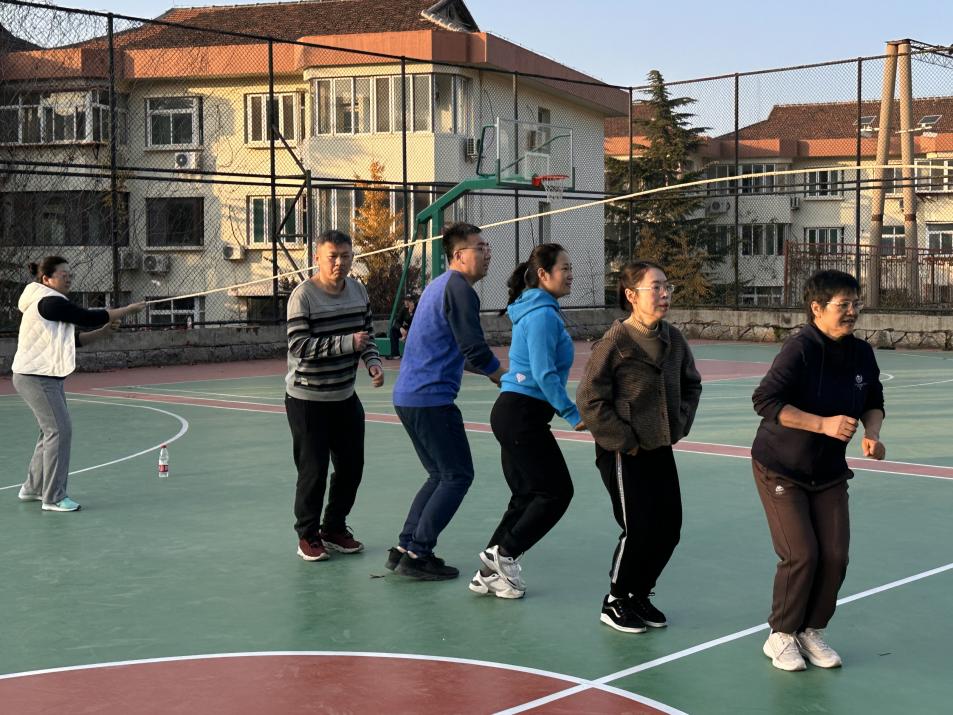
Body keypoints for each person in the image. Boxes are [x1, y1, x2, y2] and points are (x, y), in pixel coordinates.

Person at [751, 269, 885, 672]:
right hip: (781, 466)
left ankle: (810, 630)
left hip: (828, 471)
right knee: (802, 554)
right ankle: (780, 634)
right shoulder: (800, 349)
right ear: (817, 308)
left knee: (836, 556)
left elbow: (873, 399)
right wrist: (822, 424)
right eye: (843, 304)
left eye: (856, 303)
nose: (852, 311)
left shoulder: (861, 352)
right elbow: (765, 400)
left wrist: (872, 433)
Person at [576, 260, 702, 633]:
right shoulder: (614, 342)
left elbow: (692, 384)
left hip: (660, 446)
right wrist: (625, 439)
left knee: (669, 527)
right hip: (622, 451)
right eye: (655, 287)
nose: (664, 294)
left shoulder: (673, 339)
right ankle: (615, 599)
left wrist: (680, 421)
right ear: (631, 295)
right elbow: (589, 399)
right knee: (639, 527)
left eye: (667, 286)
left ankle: (639, 593)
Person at [387, 222, 505, 580]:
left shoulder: (438, 286)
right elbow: (473, 348)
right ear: (458, 255)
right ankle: (418, 554)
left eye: (488, 246)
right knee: (456, 475)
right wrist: (503, 376)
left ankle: (405, 547)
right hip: (431, 399)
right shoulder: (459, 289)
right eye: (480, 247)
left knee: (440, 474)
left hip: (410, 397)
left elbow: (454, 351)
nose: (487, 253)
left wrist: (495, 371)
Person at [471, 243, 585, 600]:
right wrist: (573, 413)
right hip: (521, 414)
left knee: (526, 496)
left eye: (570, 268)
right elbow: (544, 372)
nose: (571, 274)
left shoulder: (538, 309)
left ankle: (488, 573)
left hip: (517, 413)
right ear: (543, 274)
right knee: (556, 492)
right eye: (565, 268)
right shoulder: (541, 314)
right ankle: (504, 555)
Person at [12, 256, 144, 512]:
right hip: (36, 377)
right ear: (47, 279)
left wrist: (103, 333)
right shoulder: (49, 302)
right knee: (60, 431)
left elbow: (72, 340)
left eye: (70, 274)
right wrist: (128, 310)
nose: (69, 278)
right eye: (63, 275)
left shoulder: (46, 303)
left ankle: (33, 488)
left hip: (42, 376)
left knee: (50, 432)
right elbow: (87, 316)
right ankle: (53, 497)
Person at [285, 230, 384, 562]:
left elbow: (366, 335)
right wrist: (347, 343)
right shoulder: (303, 296)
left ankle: (334, 528)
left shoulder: (358, 291)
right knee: (313, 471)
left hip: (344, 396)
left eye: (345, 256)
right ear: (317, 258)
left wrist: (372, 362)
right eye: (332, 256)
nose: (339, 262)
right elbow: (299, 346)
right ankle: (308, 535)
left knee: (352, 467)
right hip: (307, 399)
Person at [385, 294, 416, 359]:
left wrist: (410, 313)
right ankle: (395, 354)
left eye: (409, 301)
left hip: (414, 331)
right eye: (405, 300)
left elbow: (415, 323)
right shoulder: (403, 309)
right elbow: (397, 321)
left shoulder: (417, 309)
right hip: (405, 331)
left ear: (412, 301)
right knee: (393, 330)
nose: (406, 302)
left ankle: (413, 354)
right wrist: (401, 328)